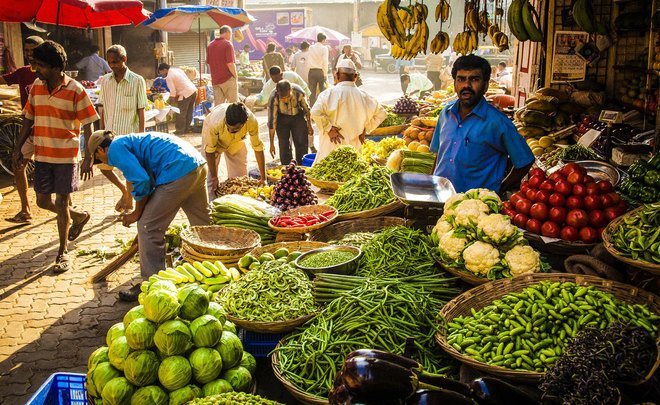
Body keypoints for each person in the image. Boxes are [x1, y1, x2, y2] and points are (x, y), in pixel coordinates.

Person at [87, 130, 210, 301]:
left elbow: (142, 181)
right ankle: (213, 270)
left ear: (101, 150)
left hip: (177, 170)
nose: (104, 162)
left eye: (99, 159)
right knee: (203, 224)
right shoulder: (129, 141)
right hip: (196, 164)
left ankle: (152, 283)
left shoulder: (114, 149)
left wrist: (137, 215)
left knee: (148, 227)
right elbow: (150, 188)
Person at [13, 40, 99, 273]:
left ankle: (62, 253)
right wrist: (18, 148)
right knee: (42, 201)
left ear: (54, 67)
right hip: (42, 155)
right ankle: (79, 216)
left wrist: (88, 155)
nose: (35, 69)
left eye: (40, 65)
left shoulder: (75, 90)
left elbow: (90, 123)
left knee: (61, 202)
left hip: (66, 157)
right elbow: (27, 120)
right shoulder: (36, 88)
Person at [430, 55, 534, 195]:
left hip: (476, 206)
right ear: (454, 83)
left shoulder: (498, 122)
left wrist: (500, 189)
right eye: (461, 79)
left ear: (485, 85)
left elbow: (525, 160)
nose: (466, 85)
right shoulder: (445, 113)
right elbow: (439, 155)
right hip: (440, 198)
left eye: (474, 79)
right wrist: (431, 185)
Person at [98, 45, 147, 213]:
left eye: (115, 62)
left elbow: (141, 110)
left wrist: (141, 136)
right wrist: (101, 131)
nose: (112, 65)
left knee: (128, 171)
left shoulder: (137, 80)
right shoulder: (105, 81)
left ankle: (128, 203)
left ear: (124, 59)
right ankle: (125, 192)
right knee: (103, 168)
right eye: (109, 62)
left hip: (129, 135)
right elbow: (102, 108)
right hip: (109, 134)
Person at [310, 59, 387, 163]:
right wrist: (366, 128)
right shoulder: (365, 97)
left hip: (330, 149)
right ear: (355, 77)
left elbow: (315, 112)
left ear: (336, 75)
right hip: (353, 153)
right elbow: (382, 113)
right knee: (352, 177)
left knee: (325, 177)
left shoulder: (328, 94)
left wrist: (329, 129)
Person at [2, 35, 43, 223]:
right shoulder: (23, 72)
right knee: (18, 164)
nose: (29, 55)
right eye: (26, 51)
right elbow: (4, 78)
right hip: (28, 127)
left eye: (33, 51)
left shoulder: (50, 73)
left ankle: (66, 205)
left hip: (47, 129)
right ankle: (25, 209)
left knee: (54, 169)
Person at [202, 102, 266, 196]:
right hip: (215, 143)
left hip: (237, 142)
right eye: (229, 128)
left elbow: (258, 148)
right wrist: (215, 177)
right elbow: (209, 151)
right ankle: (211, 206)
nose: (231, 131)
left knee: (240, 180)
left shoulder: (252, 121)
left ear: (244, 123)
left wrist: (263, 178)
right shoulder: (215, 123)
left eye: (235, 129)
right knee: (210, 180)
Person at [268, 80, 313, 165]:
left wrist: (309, 125)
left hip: (297, 116)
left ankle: (301, 166)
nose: (285, 100)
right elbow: (272, 122)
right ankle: (287, 167)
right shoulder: (273, 98)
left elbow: (307, 110)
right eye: (282, 98)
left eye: (287, 97)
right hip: (282, 118)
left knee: (301, 143)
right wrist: (271, 144)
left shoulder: (299, 93)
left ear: (290, 90)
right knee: (284, 144)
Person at [158, 63, 198, 135]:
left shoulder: (169, 77)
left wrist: (171, 104)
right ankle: (186, 129)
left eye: (161, 72)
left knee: (181, 113)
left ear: (164, 70)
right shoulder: (177, 70)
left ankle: (180, 131)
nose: (161, 74)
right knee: (189, 111)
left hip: (185, 94)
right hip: (193, 91)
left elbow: (173, 92)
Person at [207, 25, 238, 105]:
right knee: (233, 105)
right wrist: (235, 76)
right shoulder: (228, 44)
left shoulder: (210, 45)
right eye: (231, 34)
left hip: (215, 80)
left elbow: (209, 63)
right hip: (227, 79)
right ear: (227, 32)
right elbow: (230, 64)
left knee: (219, 106)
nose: (231, 36)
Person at [307, 33, 329, 106]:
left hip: (312, 71)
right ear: (323, 40)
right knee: (322, 91)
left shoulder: (310, 47)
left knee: (311, 91)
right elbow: (325, 62)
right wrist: (325, 74)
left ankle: (312, 107)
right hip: (320, 72)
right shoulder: (324, 48)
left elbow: (308, 59)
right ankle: (321, 106)